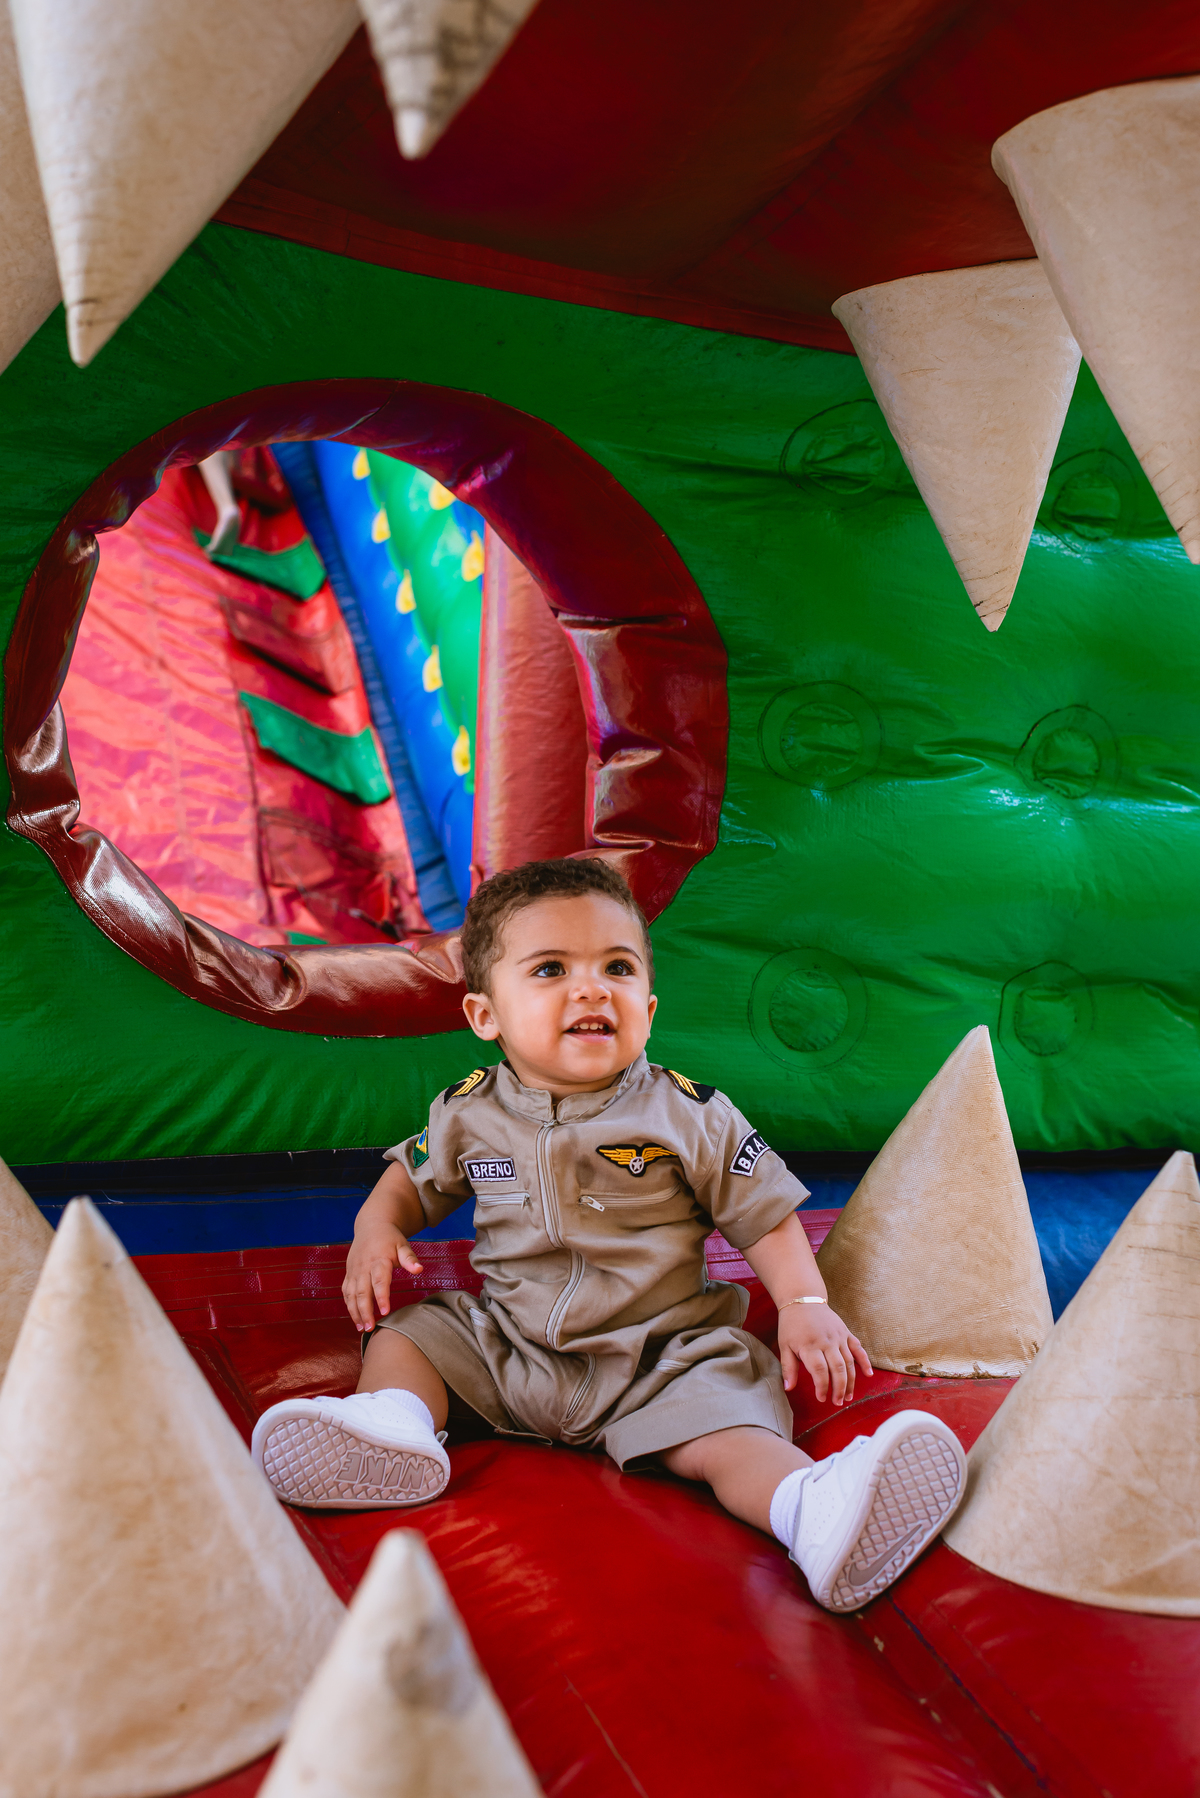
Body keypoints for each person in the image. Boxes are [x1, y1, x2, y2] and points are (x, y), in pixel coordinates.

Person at [252, 858, 966, 1612]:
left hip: (658, 1362)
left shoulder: (689, 1114)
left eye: (617, 968)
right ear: (485, 1016)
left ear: (648, 1009)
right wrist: (375, 1226)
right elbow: (409, 1179)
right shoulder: (468, 1112)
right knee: (414, 1335)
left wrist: (803, 1303)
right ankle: (392, 1425)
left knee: (729, 1426)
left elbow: (763, 1211)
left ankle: (809, 1508)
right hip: (511, 1349)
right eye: (551, 969)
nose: (591, 989)